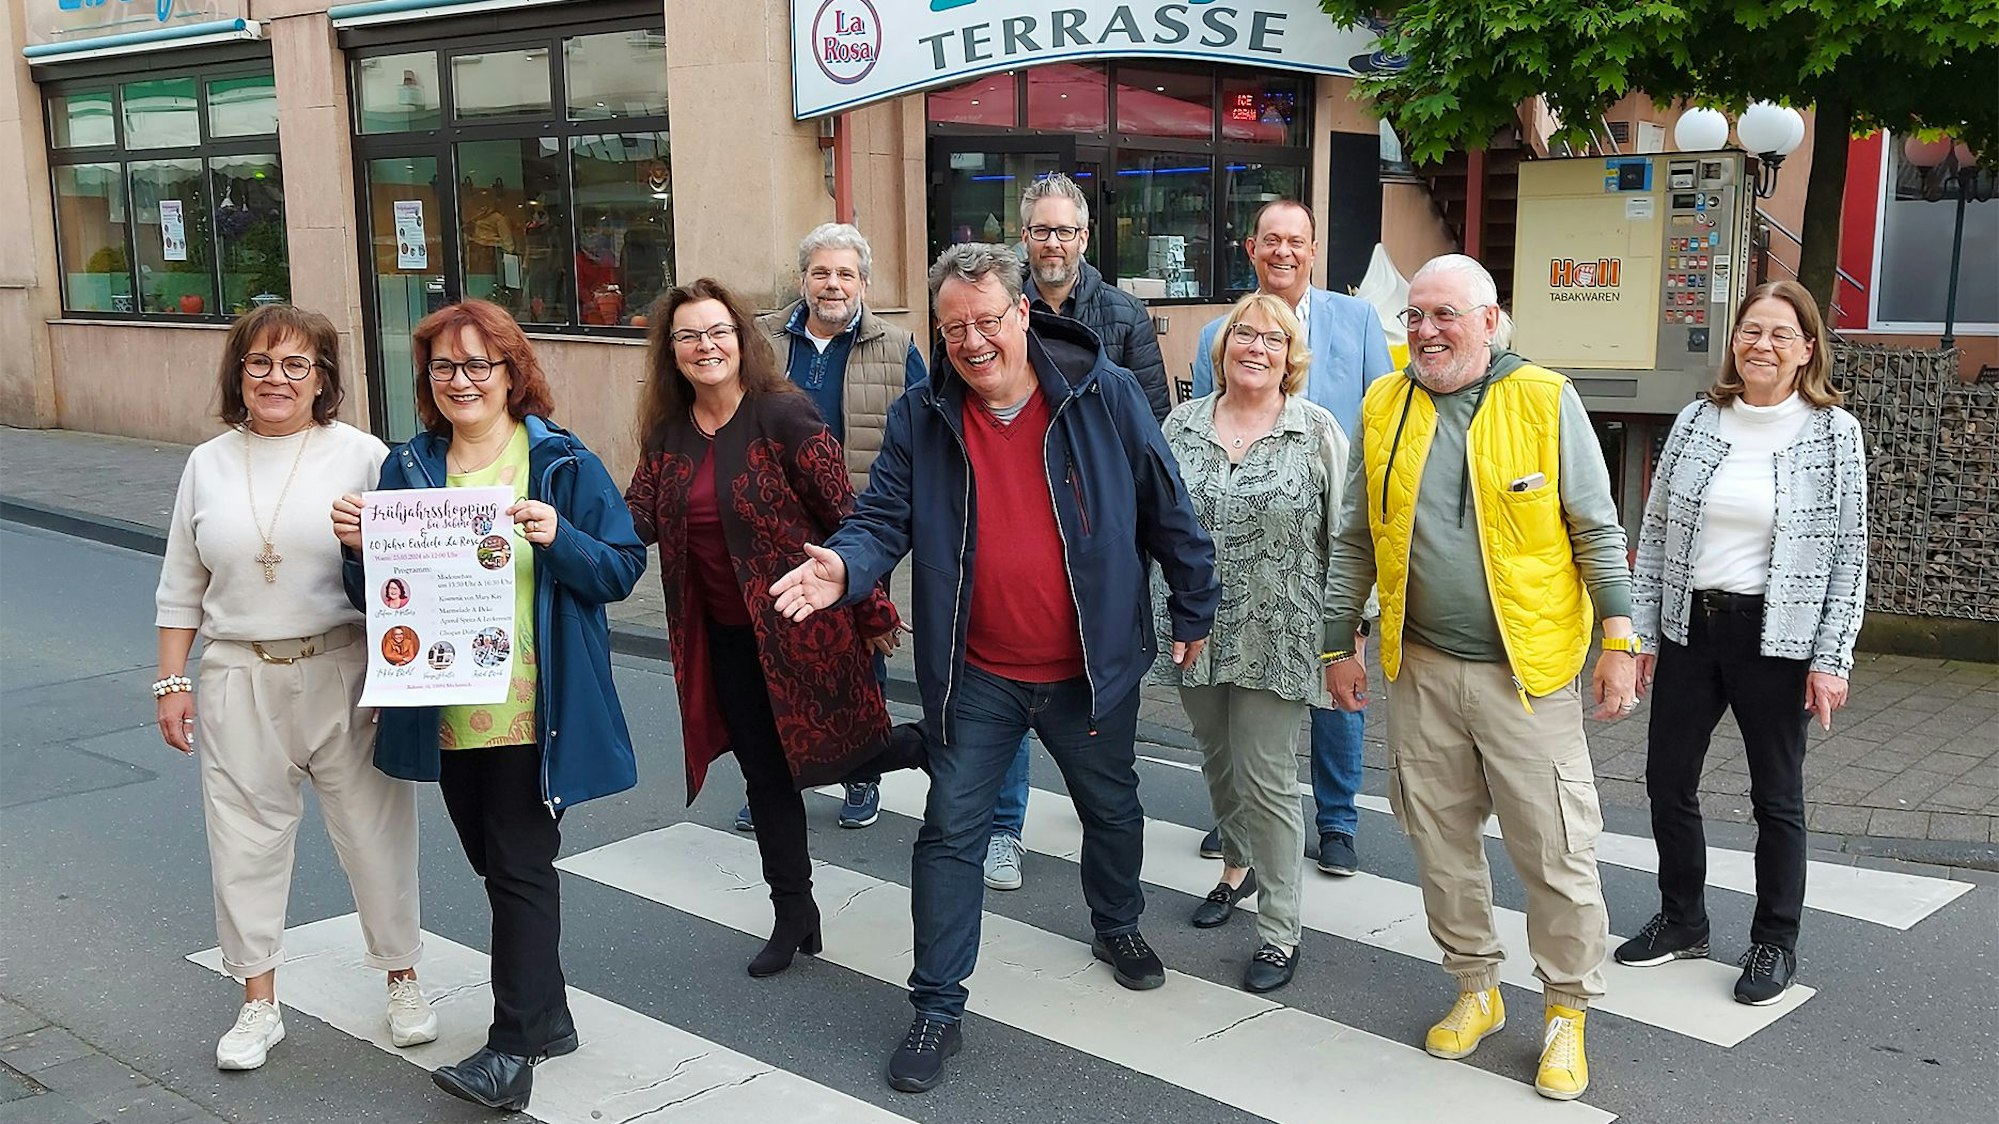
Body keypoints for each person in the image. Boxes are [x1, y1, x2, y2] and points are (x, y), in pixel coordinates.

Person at [770, 243, 1219, 1095]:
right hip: (974, 672)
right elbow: (880, 518)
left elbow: (1168, 507)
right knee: (949, 834)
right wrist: (843, 565)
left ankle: (1115, 922)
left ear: (1022, 314)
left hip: (1088, 666)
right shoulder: (920, 417)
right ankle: (937, 1003)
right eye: (954, 328)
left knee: (1111, 808)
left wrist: (1194, 603)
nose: (972, 341)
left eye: (986, 321)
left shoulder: (1104, 394)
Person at [1323, 254, 1639, 1102]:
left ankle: (1566, 1012)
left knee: (1556, 853)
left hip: (1525, 677)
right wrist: (1335, 642)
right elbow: (1355, 535)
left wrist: (1619, 640)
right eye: (1414, 316)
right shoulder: (1385, 402)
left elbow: (1595, 529)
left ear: (1489, 321)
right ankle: (1476, 989)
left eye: (1445, 315)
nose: (1425, 330)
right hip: (1416, 668)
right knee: (1440, 844)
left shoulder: (1543, 397)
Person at [334, 300, 646, 1112]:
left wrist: (558, 537)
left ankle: (513, 1047)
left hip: (531, 708)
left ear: (513, 374)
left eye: (480, 365)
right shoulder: (407, 469)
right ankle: (549, 1016)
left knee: (518, 867)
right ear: (427, 381)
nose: (462, 380)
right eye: (445, 367)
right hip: (443, 707)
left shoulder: (561, 465)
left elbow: (618, 569)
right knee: (496, 865)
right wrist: (358, 551)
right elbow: (381, 603)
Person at [153, 304, 431, 1072]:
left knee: (376, 833)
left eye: (295, 365)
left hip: (346, 665)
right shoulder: (207, 462)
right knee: (243, 842)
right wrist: (171, 680)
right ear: (239, 374)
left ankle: (403, 977)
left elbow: (410, 562)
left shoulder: (364, 455)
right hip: (238, 672)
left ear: (324, 379)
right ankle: (257, 1002)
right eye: (260, 364)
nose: (276, 379)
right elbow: (182, 580)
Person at [626, 277, 919, 980]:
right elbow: (634, 516)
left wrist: (871, 608)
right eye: (689, 335)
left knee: (842, 756)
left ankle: (926, 745)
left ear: (740, 339)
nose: (706, 346)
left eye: (717, 331)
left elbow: (846, 518)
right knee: (766, 779)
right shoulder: (667, 433)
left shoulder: (782, 415)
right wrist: (555, 520)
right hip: (723, 639)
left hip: (803, 629)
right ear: (671, 351)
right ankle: (794, 914)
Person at [1618, 280, 1868, 1006]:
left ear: (1806, 350)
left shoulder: (1831, 432)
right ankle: (1682, 920)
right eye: (1750, 331)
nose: (1761, 345)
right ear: (1734, 341)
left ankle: (1772, 942)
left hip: (1777, 636)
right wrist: (1640, 632)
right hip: (1690, 627)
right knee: (1667, 780)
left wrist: (1831, 658)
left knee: (1775, 798)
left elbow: (1848, 552)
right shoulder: (1698, 420)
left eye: (1780, 335)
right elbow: (1656, 532)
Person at [1152, 292, 1350, 993]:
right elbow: (1155, 523)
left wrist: (1346, 635)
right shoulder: (1180, 425)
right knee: (1217, 762)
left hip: (1283, 630)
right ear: (1223, 346)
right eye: (1244, 334)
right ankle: (1234, 869)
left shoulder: (1314, 430)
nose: (1255, 347)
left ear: (1289, 355)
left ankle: (1278, 931)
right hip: (1196, 629)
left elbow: (1345, 538)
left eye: (1271, 338)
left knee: (1266, 778)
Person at [1192, 199, 1394, 879]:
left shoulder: (1358, 321)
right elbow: (1200, 440)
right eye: (1270, 240)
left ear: (1313, 251)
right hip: (1246, 553)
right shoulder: (1219, 332)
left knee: (1337, 683)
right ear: (1251, 249)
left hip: (1324, 540)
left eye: (1295, 241)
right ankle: (1237, 824)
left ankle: (1336, 820)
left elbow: (1379, 427)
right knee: (1237, 703)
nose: (1283, 251)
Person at [982, 172, 1173, 893]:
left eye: (1064, 230)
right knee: (1002, 677)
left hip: (1100, 544)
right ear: (1023, 236)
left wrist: (1141, 542)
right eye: (1040, 230)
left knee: (1097, 691)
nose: (1052, 242)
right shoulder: (1001, 308)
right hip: (1015, 531)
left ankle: (1107, 842)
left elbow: (1151, 437)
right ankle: (1006, 828)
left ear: (1084, 237)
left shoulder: (1122, 316)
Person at [742, 222, 927, 834]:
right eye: (821, 272)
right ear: (803, 279)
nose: (832, 284)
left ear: (864, 283)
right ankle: (775, 779)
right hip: (772, 524)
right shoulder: (761, 341)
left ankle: (862, 773)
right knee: (774, 656)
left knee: (859, 650)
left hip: (861, 524)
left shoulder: (898, 348)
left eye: (845, 273)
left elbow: (926, 432)